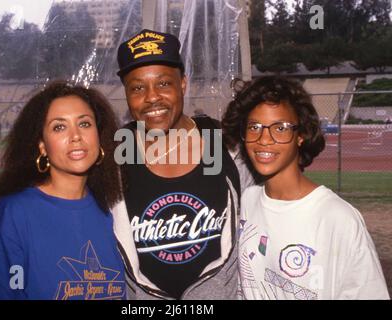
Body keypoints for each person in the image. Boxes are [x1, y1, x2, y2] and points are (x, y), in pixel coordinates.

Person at [111, 29, 254, 299]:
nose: (152, 97)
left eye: (164, 83)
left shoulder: (220, 143)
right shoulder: (118, 152)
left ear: (183, 84)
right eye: (138, 87)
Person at [222, 76, 389, 300]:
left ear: (300, 135)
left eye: (280, 128)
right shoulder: (249, 202)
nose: (263, 139)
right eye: (254, 127)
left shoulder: (338, 218)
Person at [0, 81, 126, 300]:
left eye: (85, 124)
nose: (76, 136)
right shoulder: (14, 214)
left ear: (99, 135)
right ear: (42, 146)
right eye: (59, 127)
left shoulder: (112, 209)